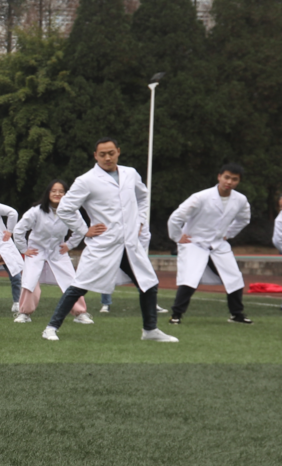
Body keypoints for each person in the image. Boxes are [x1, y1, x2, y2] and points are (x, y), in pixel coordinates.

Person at [43, 137, 177, 342]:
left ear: (118, 152)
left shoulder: (130, 173)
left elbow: (143, 197)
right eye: (102, 154)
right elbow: (65, 209)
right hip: (103, 245)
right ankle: (51, 327)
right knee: (79, 286)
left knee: (149, 283)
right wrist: (84, 230)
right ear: (95, 156)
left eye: (111, 153)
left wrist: (141, 220)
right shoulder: (86, 180)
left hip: (129, 245)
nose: (107, 158)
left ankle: (150, 330)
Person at [167, 163, 253, 325]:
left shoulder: (240, 200)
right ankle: (176, 314)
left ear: (238, 181)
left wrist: (229, 234)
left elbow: (244, 219)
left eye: (234, 179)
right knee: (190, 278)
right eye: (226, 177)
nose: (229, 182)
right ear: (219, 177)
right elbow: (176, 217)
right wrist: (177, 237)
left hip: (219, 244)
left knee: (234, 277)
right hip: (194, 242)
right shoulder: (201, 197)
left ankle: (237, 315)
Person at [11, 180, 88, 324]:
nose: (57, 194)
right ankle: (24, 313)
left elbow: (81, 229)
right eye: (54, 191)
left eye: (61, 191)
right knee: (30, 280)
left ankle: (80, 313)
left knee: (71, 280)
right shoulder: (36, 211)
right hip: (36, 250)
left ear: (66, 194)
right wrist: (24, 249)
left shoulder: (71, 211)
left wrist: (69, 245)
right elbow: (19, 229)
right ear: (48, 193)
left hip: (57, 250)